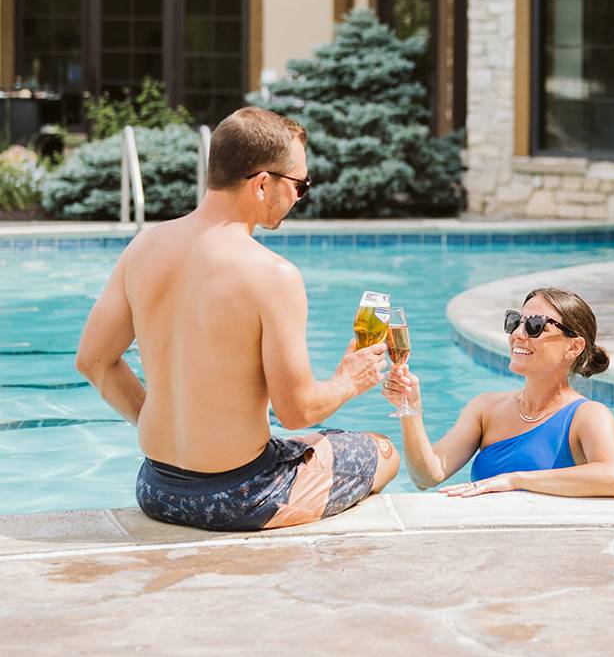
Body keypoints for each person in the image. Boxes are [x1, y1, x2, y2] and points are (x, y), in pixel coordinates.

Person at [75, 107, 399, 531]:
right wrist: (349, 379)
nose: (300, 196)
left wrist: (160, 420)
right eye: (301, 184)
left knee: (302, 446)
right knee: (382, 451)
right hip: (241, 498)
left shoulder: (143, 248)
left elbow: (93, 361)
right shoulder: (272, 275)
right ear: (263, 183)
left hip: (156, 489)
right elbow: (298, 411)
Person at [384, 287, 614, 498]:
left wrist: (515, 481)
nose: (517, 334)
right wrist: (411, 409)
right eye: (515, 322)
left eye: (535, 326)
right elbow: (426, 476)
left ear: (573, 346)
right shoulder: (486, 409)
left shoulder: (587, 416)